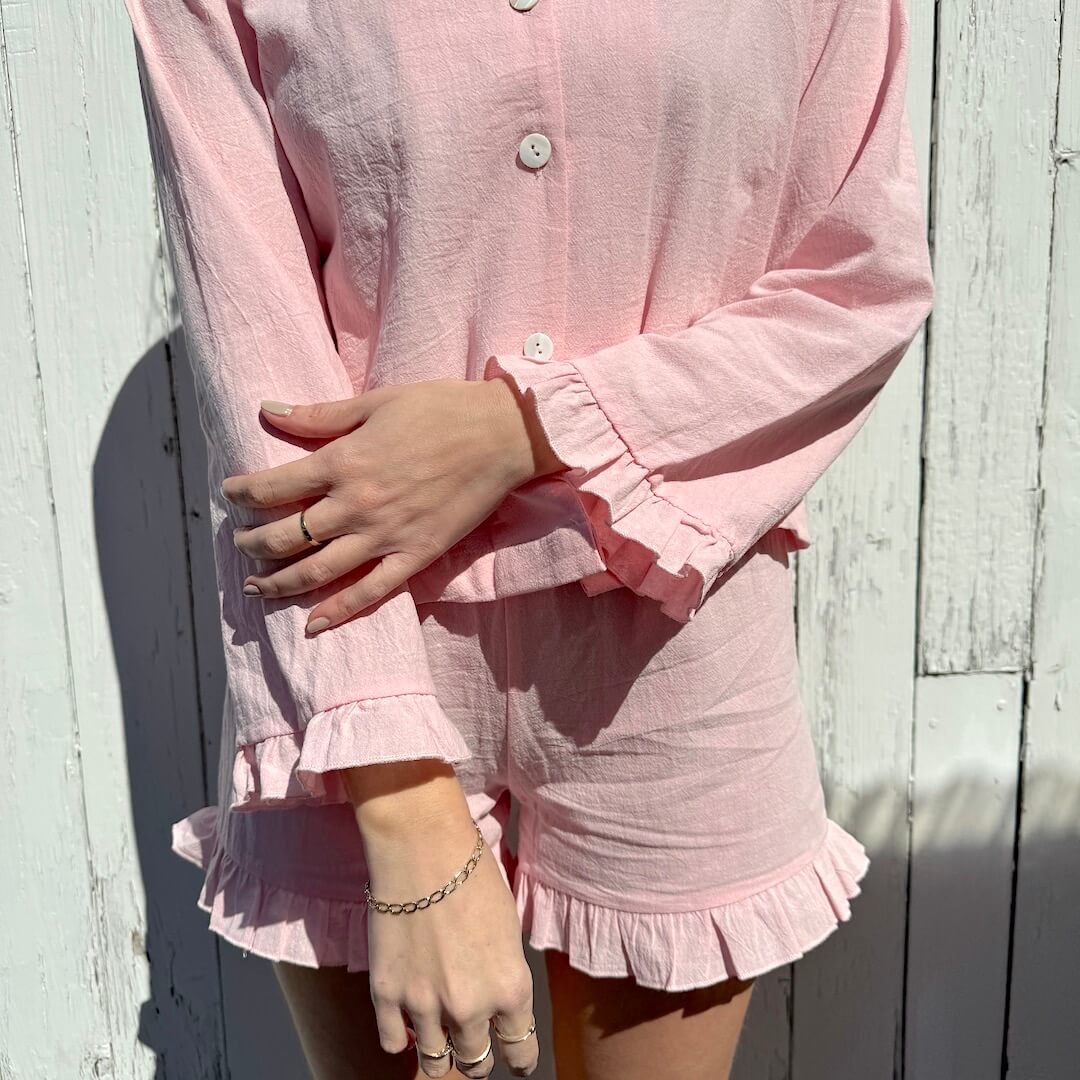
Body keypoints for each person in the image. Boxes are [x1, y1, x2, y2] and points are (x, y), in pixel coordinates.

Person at [119, 0, 934, 1076]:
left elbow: (861, 281)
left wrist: (522, 429)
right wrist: (404, 813)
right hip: (358, 656)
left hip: (672, 650)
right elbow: (258, 368)